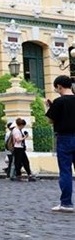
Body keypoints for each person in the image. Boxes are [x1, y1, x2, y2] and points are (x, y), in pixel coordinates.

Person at [45, 75, 75, 212]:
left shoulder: (59, 102)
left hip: (64, 138)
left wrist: (48, 108)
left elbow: (50, 120)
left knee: (65, 171)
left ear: (59, 87)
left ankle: (66, 203)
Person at [11, 118, 36, 182]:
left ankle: (28, 175)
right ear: (21, 125)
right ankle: (19, 175)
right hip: (18, 148)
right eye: (23, 126)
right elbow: (18, 140)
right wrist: (25, 137)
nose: (23, 127)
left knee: (25, 162)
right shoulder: (16, 130)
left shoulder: (18, 130)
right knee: (19, 162)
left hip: (20, 148)